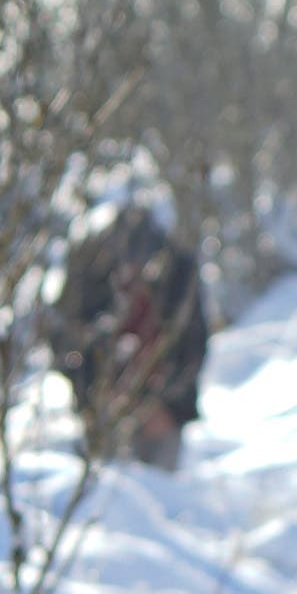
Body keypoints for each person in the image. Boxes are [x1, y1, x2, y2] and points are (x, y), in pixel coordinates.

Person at [50, 199, 207, 470]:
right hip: (101, 415)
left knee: (162, 496)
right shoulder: (88, 270)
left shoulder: (180, 271)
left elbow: (193, 343)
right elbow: (65, 338)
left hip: (162, 419)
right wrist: (93, 401)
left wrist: (165, 405)